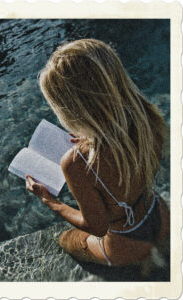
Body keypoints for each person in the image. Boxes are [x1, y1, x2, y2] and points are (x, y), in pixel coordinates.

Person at [25, 39, 170, 266]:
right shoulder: (147, 118)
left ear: (70, 109)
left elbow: (97, 228)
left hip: (126, 245)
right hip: (161, 217)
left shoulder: (76, 162)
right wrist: (94, 134)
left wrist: (49, 200)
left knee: (64, 241)